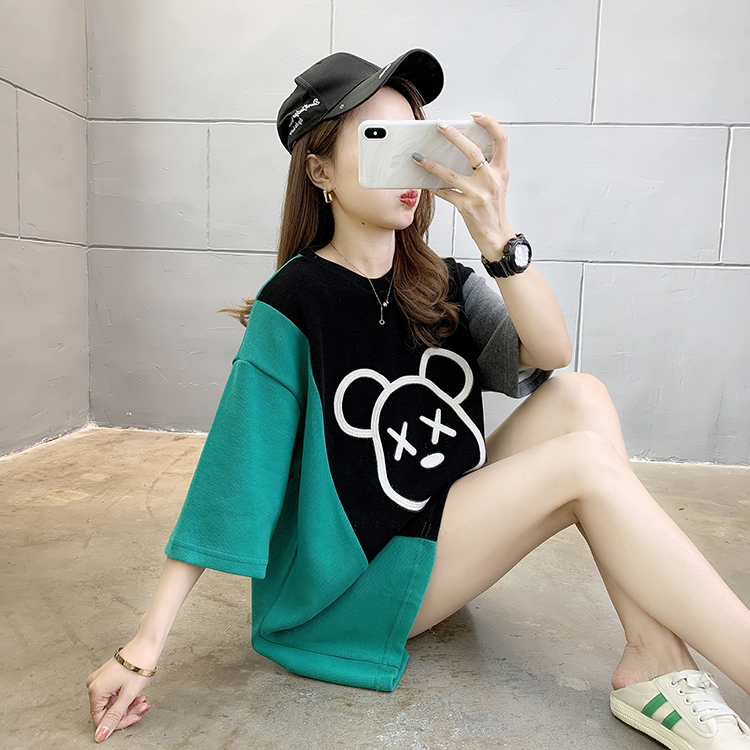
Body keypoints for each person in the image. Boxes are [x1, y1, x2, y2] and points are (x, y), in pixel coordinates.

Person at [86, 48, 750, 748]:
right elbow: (231, 478)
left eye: (416, 138)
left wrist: (497, 236)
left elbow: (553, 354)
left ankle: (654, 655)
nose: (409, 166)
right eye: (381, 139)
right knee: (583, 463)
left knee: (580, 398)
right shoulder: (296, 301)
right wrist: (142, 648)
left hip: (434, 528)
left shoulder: (442, 283)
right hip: (353, 587)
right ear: (320, 171)